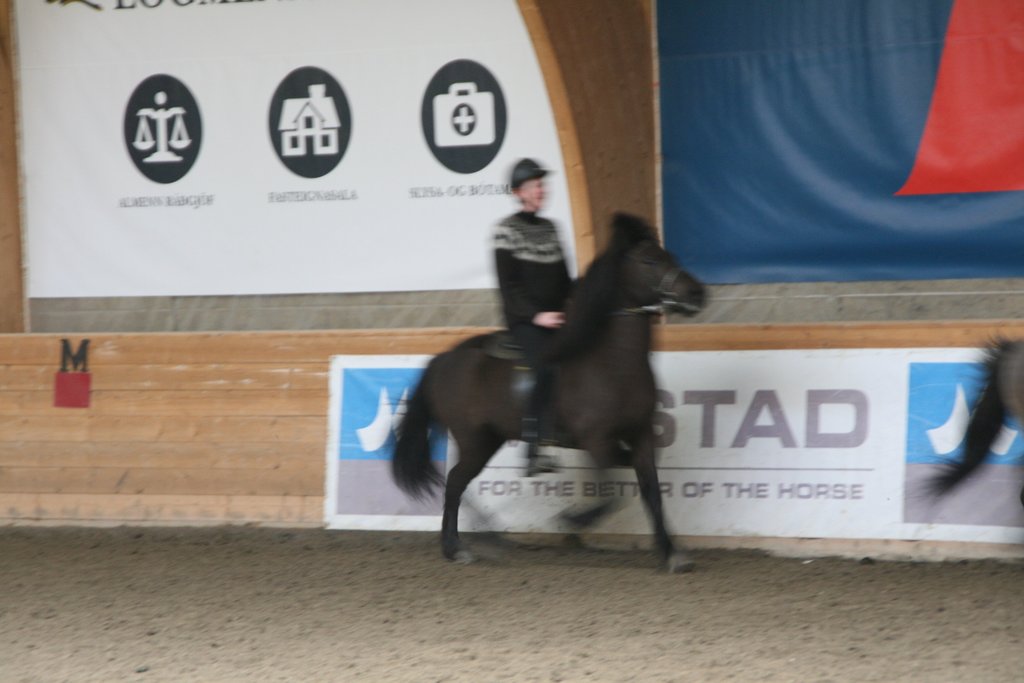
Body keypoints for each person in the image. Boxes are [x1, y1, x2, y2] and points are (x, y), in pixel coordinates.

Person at [494, 158, 572, 476]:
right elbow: (509, 287)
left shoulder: (552, 229)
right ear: (519, 192)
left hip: (556, 316)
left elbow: (565, 281)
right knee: (545, 366)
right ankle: (533, 449)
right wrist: (537, 316)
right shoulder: (506, 231)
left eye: (542, 184)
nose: (542, 190)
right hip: (525, 321)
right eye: (535, 185)